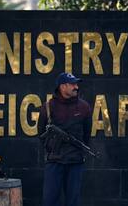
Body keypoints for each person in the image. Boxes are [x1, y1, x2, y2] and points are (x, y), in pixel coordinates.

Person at [38, 72, 92, 206]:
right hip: (54, 161)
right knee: (49, 201)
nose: (76, 87)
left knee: (73, 201)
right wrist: (53, 146)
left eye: (76, 84)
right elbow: (41, 132)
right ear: (62, 87)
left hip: (75, 162)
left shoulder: (84, 107)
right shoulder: (48, 107)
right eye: (72, 84)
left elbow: (87, 134)